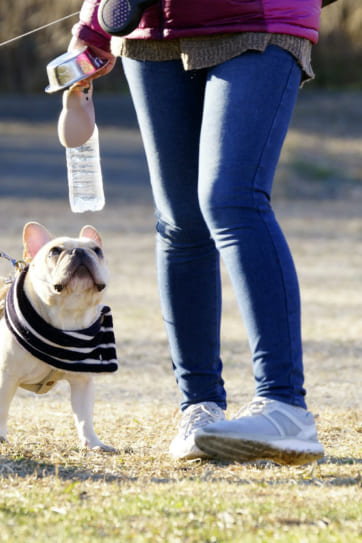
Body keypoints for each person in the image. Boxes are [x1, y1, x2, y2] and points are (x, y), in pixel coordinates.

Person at [68, 0, 325, 464]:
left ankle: (285, 406)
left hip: (258, 19)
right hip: (152, 29)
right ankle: (200, 408)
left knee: (231, 198)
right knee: (180, 221)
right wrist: (93, 25)